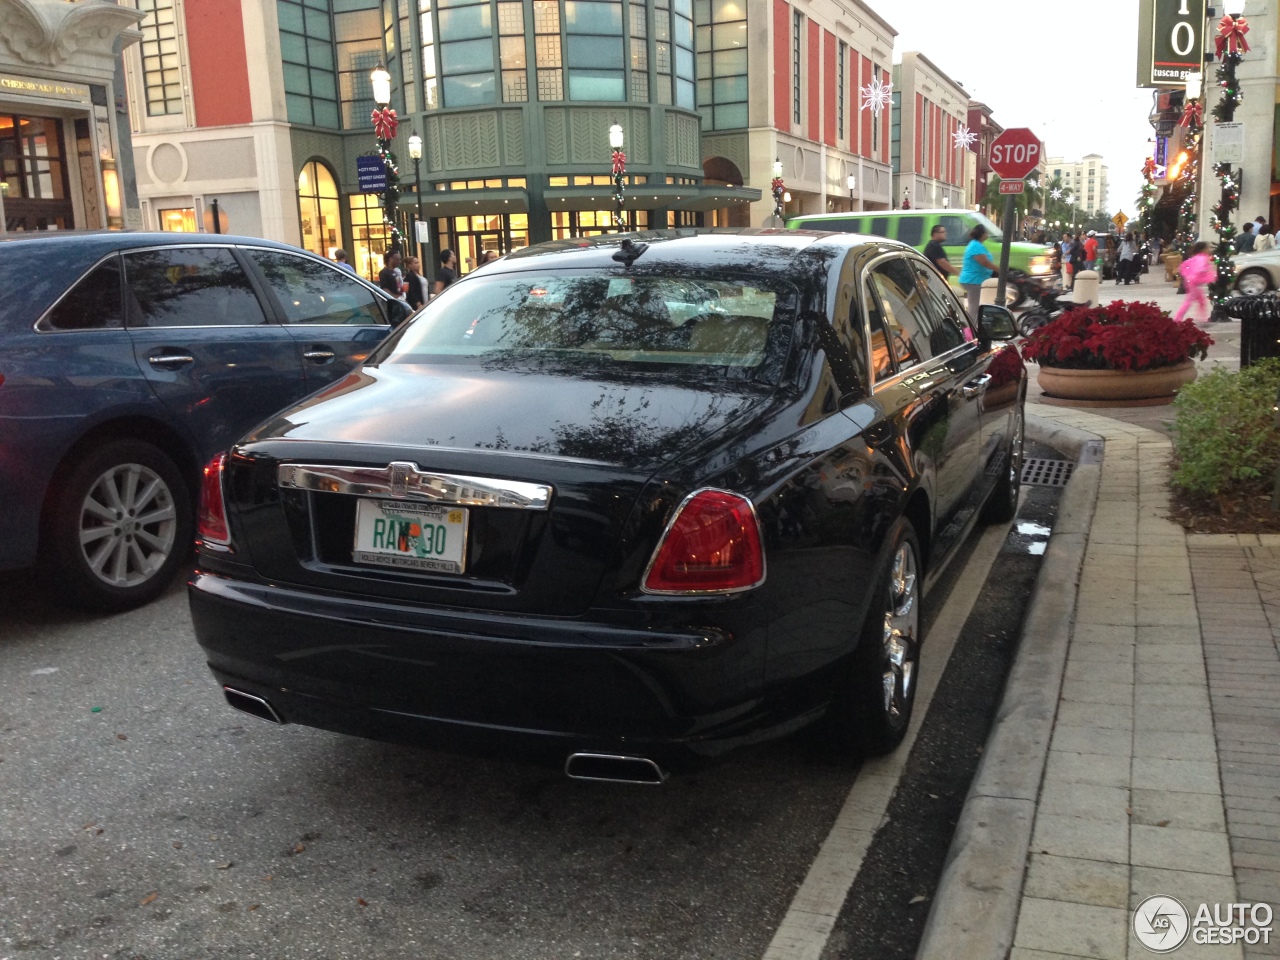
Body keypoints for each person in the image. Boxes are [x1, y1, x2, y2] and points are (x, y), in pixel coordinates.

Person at [959, 224, 997, 320]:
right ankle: (971, 329)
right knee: (974, 307)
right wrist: (1001, 270)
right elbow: (985, 262)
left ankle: (972, 326)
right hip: (974, 280)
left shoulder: (977, 245)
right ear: (982, 234)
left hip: (976, 279)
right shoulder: (975, 246)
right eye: (986, 232)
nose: (988, 234)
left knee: (974, 305)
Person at [1174, 241, 1216, 324]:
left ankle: (1202, 319)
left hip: (1191, 282)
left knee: (1201, 301)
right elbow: (1200, 268)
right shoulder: (1202, 258)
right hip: (1194, 283)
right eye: (1208, 248)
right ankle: (1177, 319)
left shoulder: (1197, 257)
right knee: (1188, 302)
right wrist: (1203, 272)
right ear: (1203, 249)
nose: (1210, 250)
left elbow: (1185, 266)